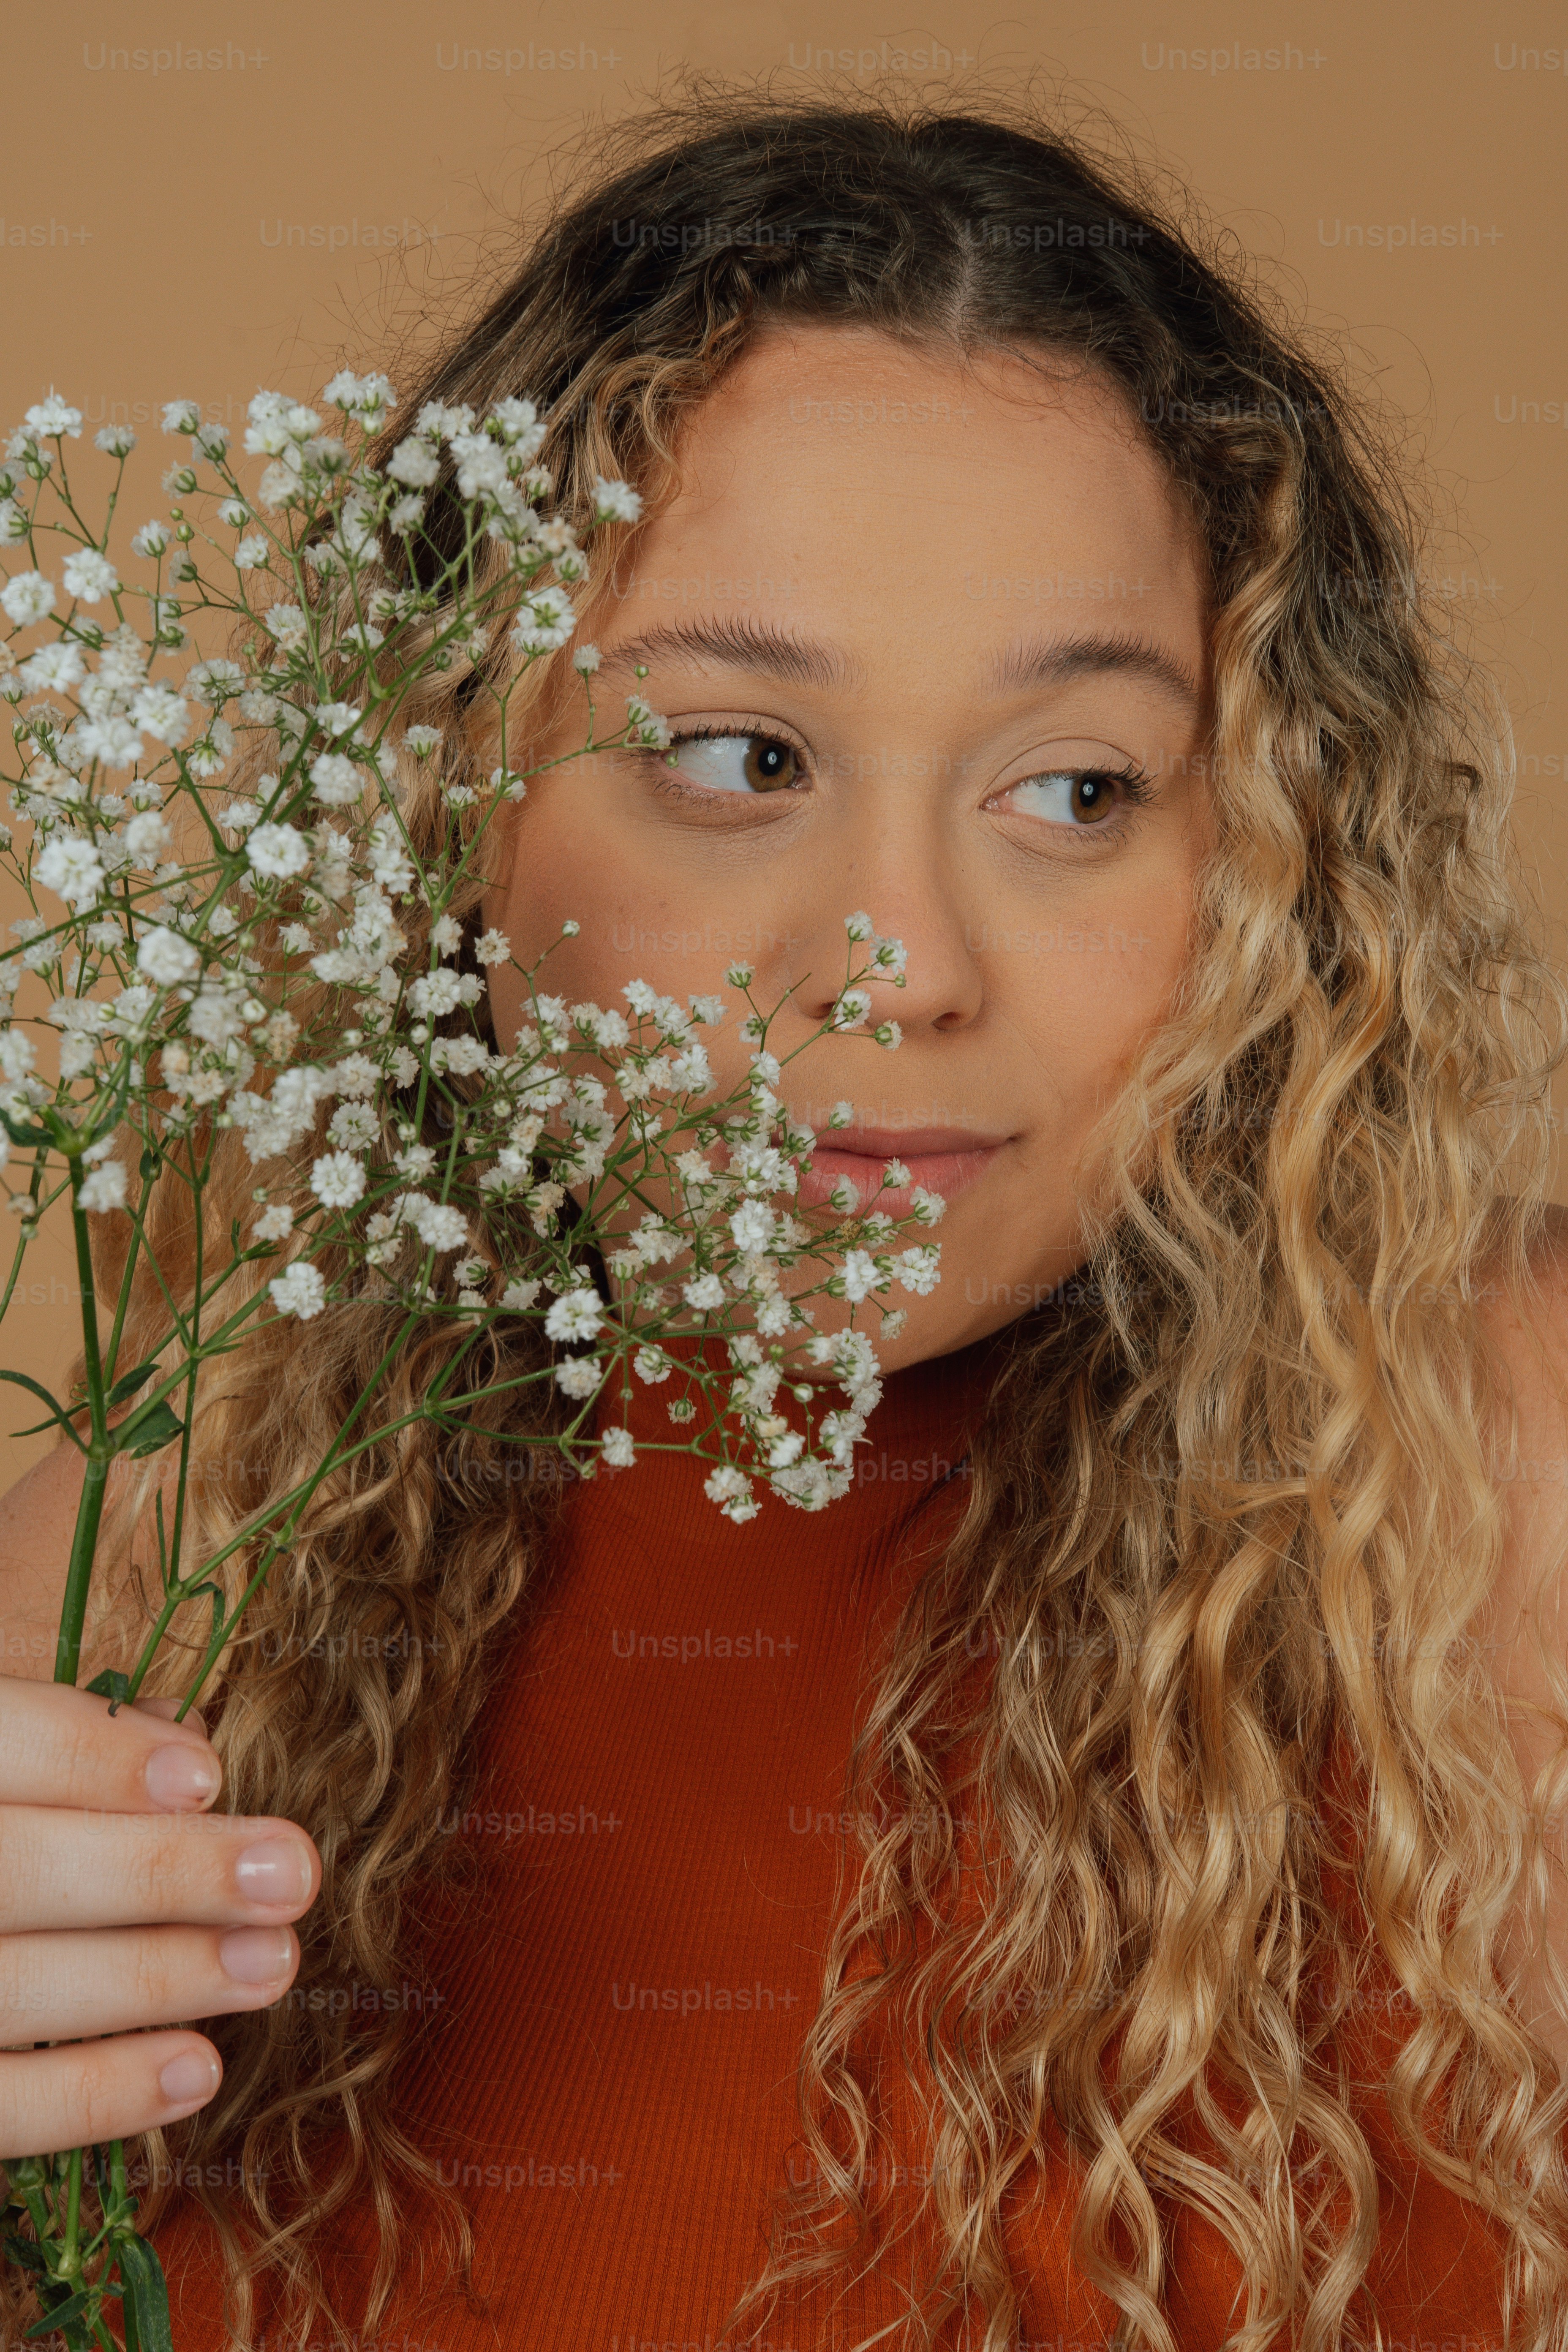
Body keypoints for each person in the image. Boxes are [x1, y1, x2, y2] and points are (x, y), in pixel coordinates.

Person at [3, 81, 1568, 2351]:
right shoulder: (103, 1594)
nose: (900, 960)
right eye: (739, 755)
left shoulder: (1500, 1489)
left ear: (1265, 865)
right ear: (448, 792)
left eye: (1078, 789)